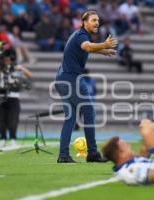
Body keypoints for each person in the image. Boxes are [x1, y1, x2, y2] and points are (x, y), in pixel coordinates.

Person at [54, 10, 117, 163]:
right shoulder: (82, 35)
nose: (97, 23)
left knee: (70, 118)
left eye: (98, 20)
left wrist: (103, 51)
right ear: (84, 22)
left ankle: (63, 155)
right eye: (93, 20)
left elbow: (85, 48)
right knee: (88, 112)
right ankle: (92, 153)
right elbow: (87, 47)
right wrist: (105, 44)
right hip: (71, 79)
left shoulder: (78, 35)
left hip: (62, 79)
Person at [0, 50, 32, 148]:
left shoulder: (16, 68)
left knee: (13, 119)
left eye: (9, 59)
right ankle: (3, 139)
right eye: (5, 59)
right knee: (1, 119)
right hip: (1, 97)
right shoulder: (0, 69)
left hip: (13, 96)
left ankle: (13, 139)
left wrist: (21, 68)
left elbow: (29, 75)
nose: (7, 60)